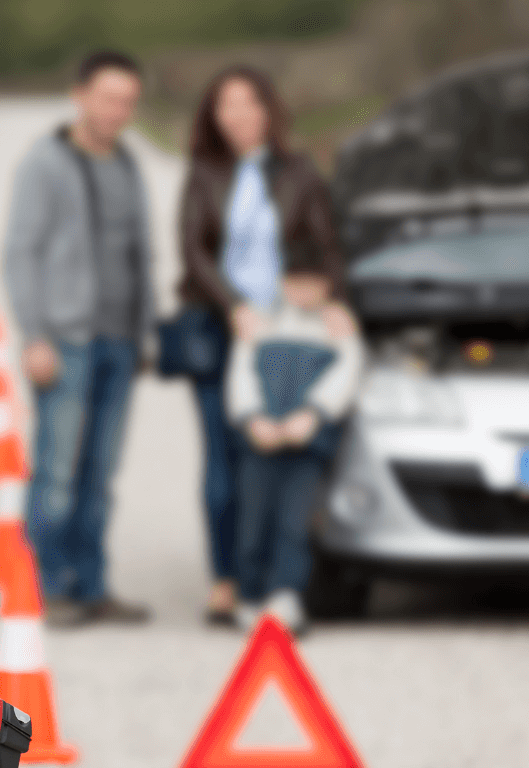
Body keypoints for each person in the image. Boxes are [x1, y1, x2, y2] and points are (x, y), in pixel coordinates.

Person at [178, 66, 349, 625]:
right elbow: (194, 252)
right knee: (223, 460)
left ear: (268, 110)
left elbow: (325, 243)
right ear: (213, 115)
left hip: (285, 333)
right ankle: (228, 579)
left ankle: (281, 580)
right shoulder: (203, 174)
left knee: (282, 456)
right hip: (219, 326)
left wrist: (334, 302)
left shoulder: (299, 172)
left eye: (249, 103)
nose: (239, 115)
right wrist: (235, 308)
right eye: (226, 105)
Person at [3, 51, 156, 627]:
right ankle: (44, 588)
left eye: (128, 101)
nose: (119, 110)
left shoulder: (127, 163)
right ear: (81, 95)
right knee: (58, 472)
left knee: (100, 475)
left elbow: (140, 253)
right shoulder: (45, 163)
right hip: (65, 342)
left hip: (119, 341)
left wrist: (143, 333)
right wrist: (34, 335)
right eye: (109, 97)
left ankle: (92, 586)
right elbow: (22, 252)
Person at [226, 265, 363, 636]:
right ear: (283, 284)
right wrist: (252, 418)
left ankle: (285, 595)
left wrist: (314, 415)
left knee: (295, 521)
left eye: (312, 282)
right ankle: (250, 596)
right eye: (295, 282)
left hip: (306, 445)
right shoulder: (260, 324)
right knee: (253, 520)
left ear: (326, 285)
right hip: (260, 442)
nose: (303, 291)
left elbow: (347, 374)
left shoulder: (337, 329)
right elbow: (241, 373)